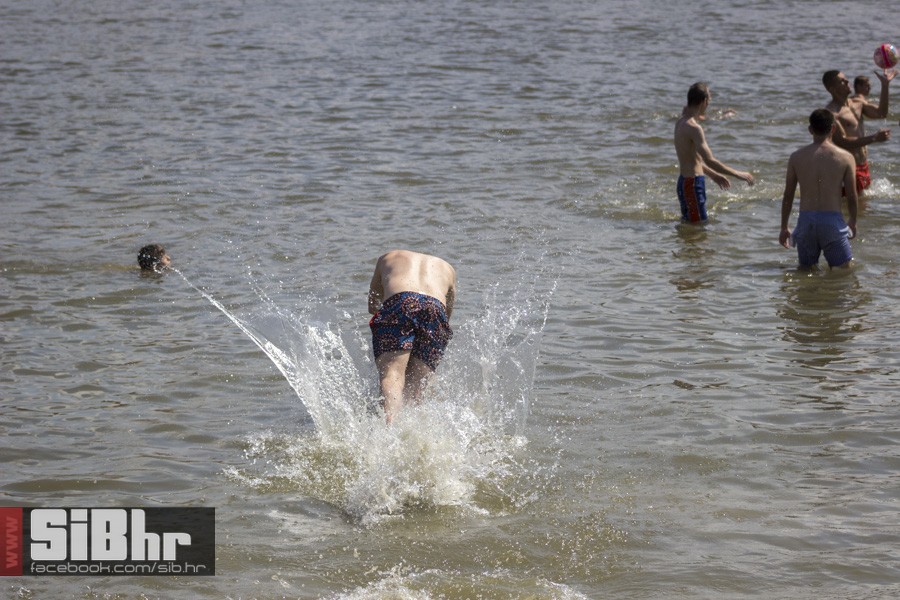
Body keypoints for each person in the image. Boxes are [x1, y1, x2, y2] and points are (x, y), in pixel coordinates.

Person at [367, 250, 456, 423]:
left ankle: (389, 431)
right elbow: (447, 316)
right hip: (435, 308)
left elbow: (372, 304)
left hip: (400, 301)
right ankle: (412, 435)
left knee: (392, 374)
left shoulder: (387, 257)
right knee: (417, 385)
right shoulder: (448, 269)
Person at [779, 109, 858, 269]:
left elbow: (788, 195)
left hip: (806, 222)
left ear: (810, 130)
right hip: (831, 222)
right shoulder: (846, 157)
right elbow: (851, 195)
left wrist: (784, 227)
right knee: (843, 272)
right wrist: (853, 221)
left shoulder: (796, 157)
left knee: (806, 271)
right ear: (833, 129)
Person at [673, 82, 754, 223]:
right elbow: (709, 160)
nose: (709, 104)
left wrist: (714, 175)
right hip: (692, 185)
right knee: (698, 227)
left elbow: (692, 159)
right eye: (709, 100)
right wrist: (738, 174)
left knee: (691, 227)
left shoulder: (680, 122)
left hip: (684, 182)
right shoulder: (694, 128)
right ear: (704, 101)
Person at [823, 69, 894, 195]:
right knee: (854, 209)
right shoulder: (831, 113)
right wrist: (874, 138)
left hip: (863, 165)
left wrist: (885, 85)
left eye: (845, 79)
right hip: (847, 168)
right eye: (842, 81)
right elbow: (842, 141)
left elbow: (881, 113)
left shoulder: (858, 103)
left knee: (864, 210)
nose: (847, 81)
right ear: (833, 89)